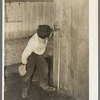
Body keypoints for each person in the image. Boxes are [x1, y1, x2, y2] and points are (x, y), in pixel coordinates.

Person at [21, 25, 55, 98]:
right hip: (31, 55)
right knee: (28, 73)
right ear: (46, 36)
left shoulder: (43, 34)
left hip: (39, 54)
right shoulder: (33, 43)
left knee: (44, 69)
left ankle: (44, 84)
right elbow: (25, 54)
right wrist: (24, 64)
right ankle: (25, 89)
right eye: (50, 34)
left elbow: (51, 32)